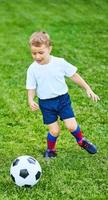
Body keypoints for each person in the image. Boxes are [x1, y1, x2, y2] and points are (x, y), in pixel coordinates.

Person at [26, 31, 100, 159]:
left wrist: (87, 88)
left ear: (49, 49)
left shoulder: (59, 63)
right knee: (54, 131)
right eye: (34, 53)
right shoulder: (32, 69)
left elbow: (74, 76)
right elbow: (31, 87)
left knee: (71, 126)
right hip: (46, 104)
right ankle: (51, 150)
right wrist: (30, 99)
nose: (37, 56)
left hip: (62, 100)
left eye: (41, 53)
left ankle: (81, 141)